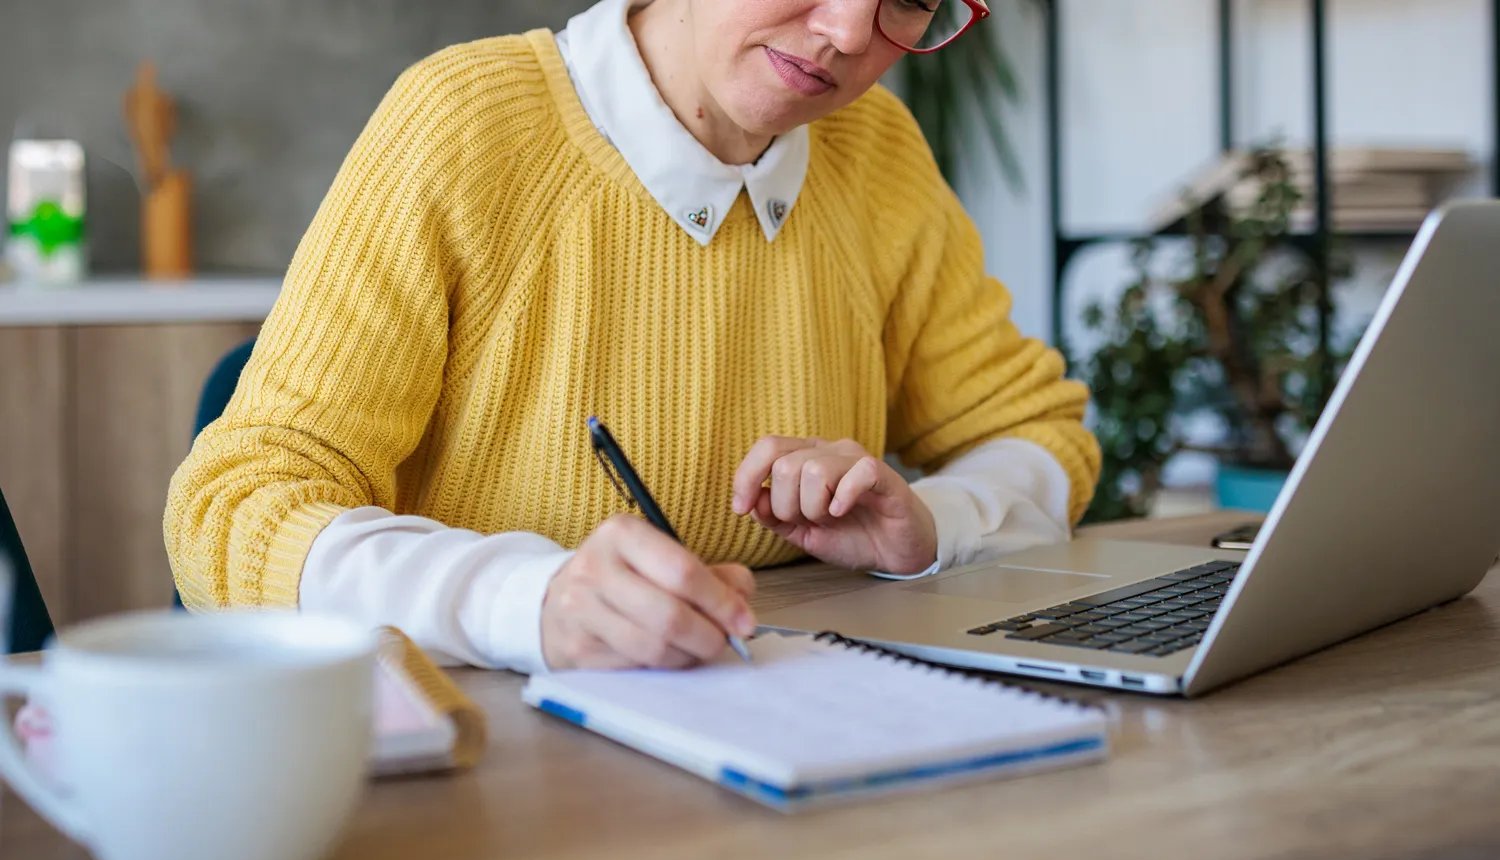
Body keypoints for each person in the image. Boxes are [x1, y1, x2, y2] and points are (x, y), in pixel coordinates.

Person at [165, 0, 1101, 674]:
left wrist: (930, 526)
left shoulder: (876, 150)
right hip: (488, 762)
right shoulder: (464, 124)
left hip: (769, 723)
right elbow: (231, 512)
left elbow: (1040, 433)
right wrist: (528, 603)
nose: (850, 33)